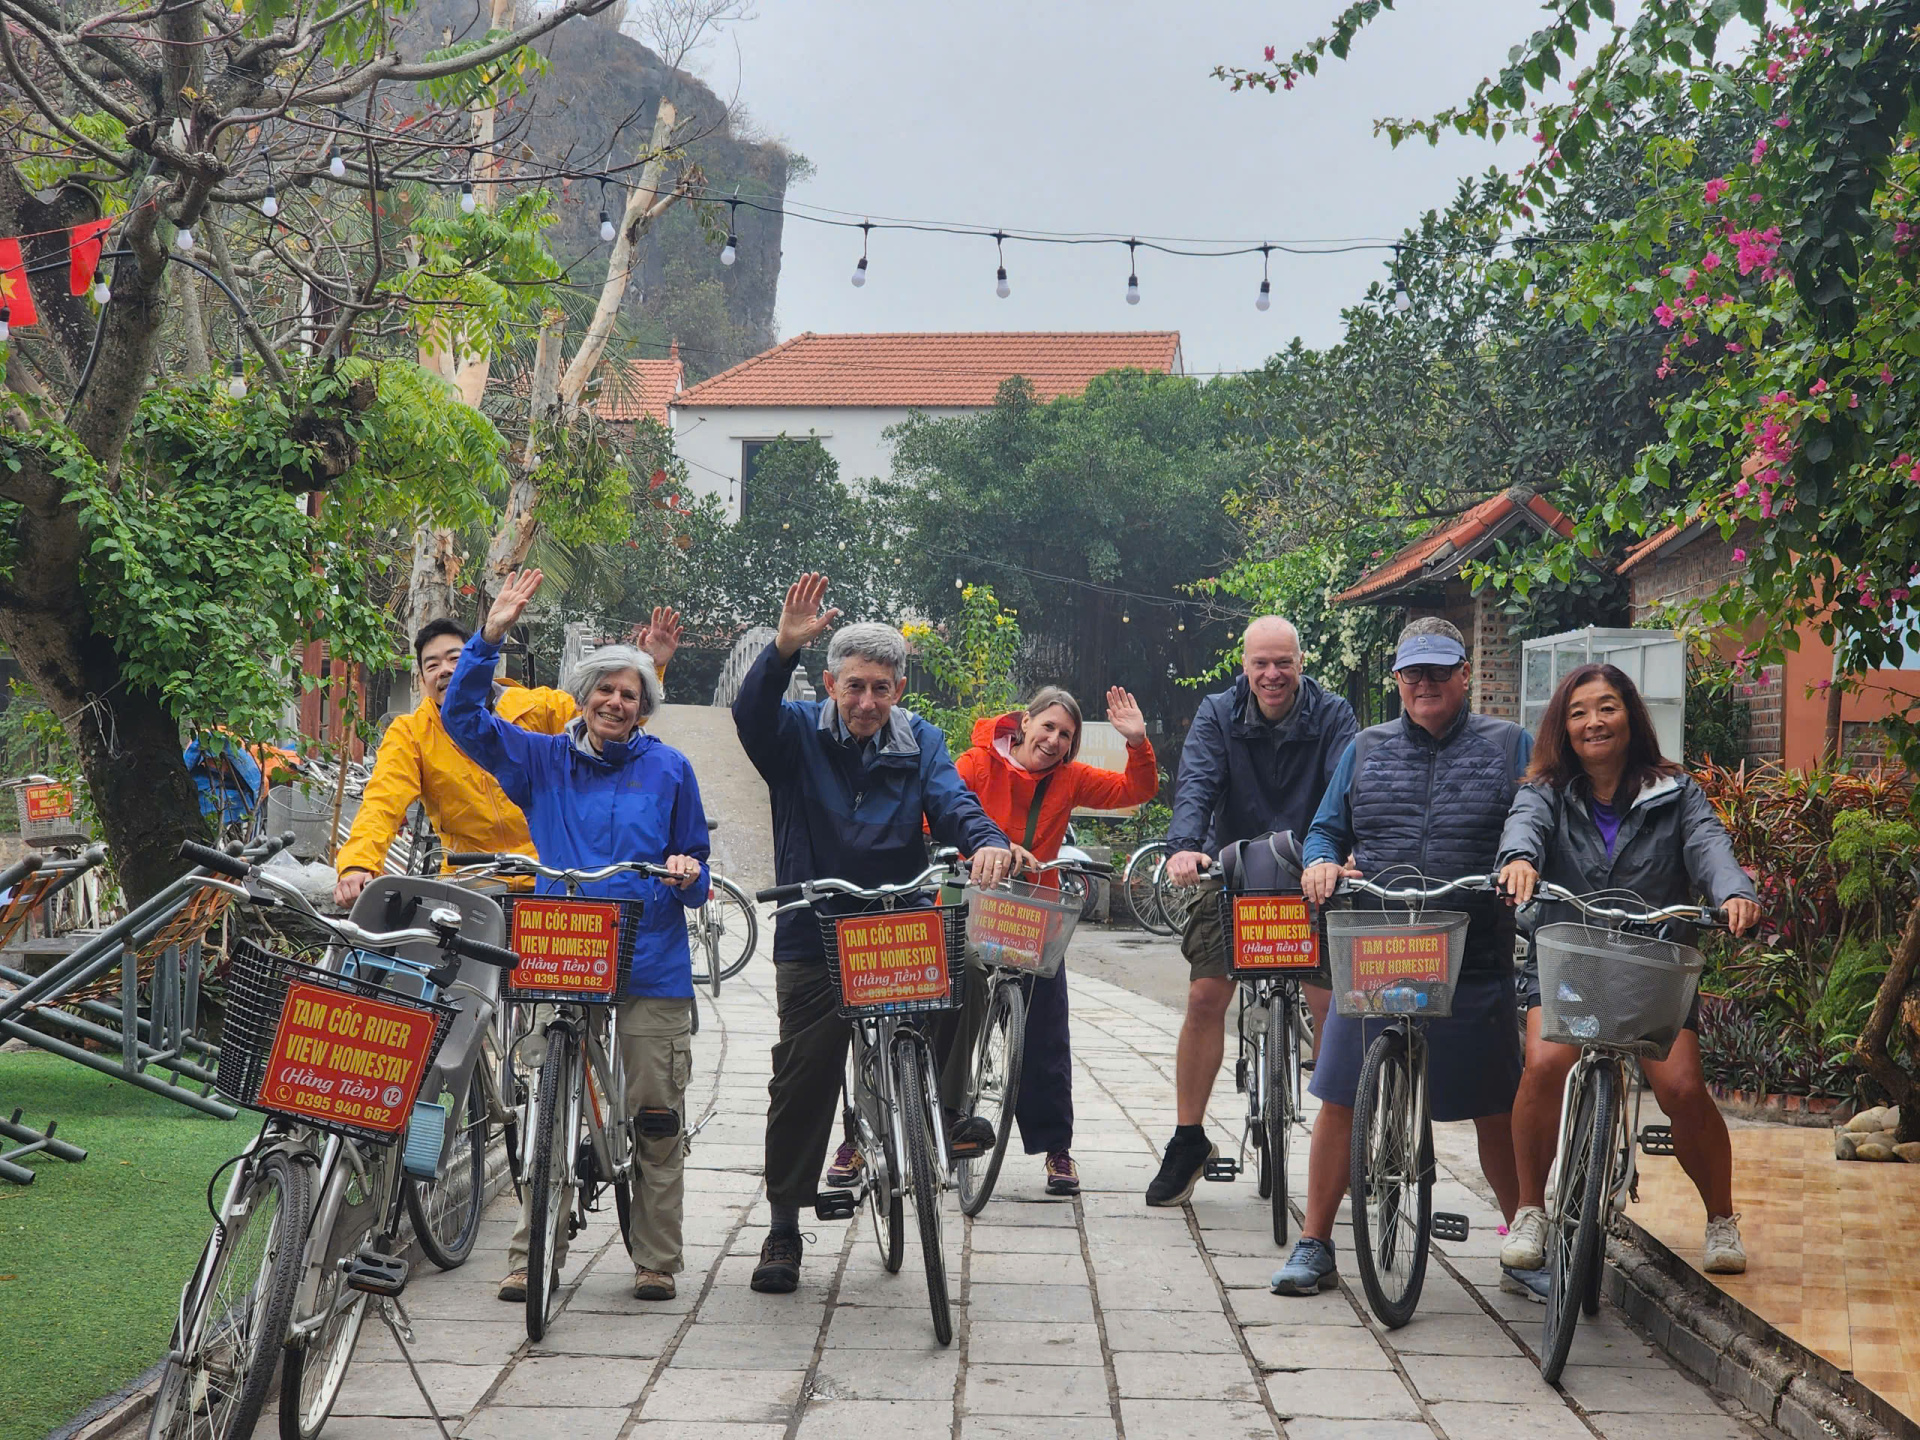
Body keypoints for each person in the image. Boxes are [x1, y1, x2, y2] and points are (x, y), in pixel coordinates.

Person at [732, 573, 1014, 1295]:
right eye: (854, 686)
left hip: (895, 923)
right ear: (829, 682)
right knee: (803, 1074)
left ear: (900, 688)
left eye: (881, 689)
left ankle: (947, 1113)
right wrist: (781, 649)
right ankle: (784, 1225)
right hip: (813, 923)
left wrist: (984, 841)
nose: (866, 702)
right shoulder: (795, 733)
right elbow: (752, 715)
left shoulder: (920, 738)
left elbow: (954, 801)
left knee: (974, 966)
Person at [441, 570, 710, 1305]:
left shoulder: (671, 769)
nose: (616, 703)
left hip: (650, 957)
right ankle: (535, 1250)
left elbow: (698, 871)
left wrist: (687, 872)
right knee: (548, 1104)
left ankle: (656, 1257)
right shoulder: (540, 759)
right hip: (564, 944)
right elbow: (463, 720)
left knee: (655, 1110)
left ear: (644, 706)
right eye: (606, 691)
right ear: (584, 696)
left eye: (631, 695)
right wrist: (488, 636)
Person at [1274, 616, 1531, 1297]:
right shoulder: (1365, 747)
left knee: (1496, 1108)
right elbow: (1327, 827)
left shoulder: (1509, 745)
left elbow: (1531, 820)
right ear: (1396, 681)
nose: (1427, 684)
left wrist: (1519, 863)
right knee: (1336, 1093)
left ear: (1466, 674)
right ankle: (1316, 1241)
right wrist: (1322, 863)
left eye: (1440, 671)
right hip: (1381, 943)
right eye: (1414, 674)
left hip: (1473, 948)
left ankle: (1523, 1247)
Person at [1496, 663, 1761, 1277]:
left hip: (1652, 962)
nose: (1594, 721)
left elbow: (1709, 846)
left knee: (1680, 1088)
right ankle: (1532, 1208)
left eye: (1607, 707)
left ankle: (1720, 1216)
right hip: (1569, 958)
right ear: (1563, 725)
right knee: (1543, 1064)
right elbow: (1523, 829)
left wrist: (1734, 891)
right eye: (1579, 711)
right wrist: (1519, 861)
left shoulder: (1676, 792)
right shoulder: (1545, 789)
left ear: (1630, 716)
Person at [1146, 616, 1358, 1207]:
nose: (1272, 674)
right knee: (1205, 996)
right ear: (1244, 664)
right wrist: (1186, 846)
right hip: (1233, 871)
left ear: (1300, 662)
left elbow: (1350, 789)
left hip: (1312, 872)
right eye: (1260, 663)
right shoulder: (1218, 713)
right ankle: (1188, 1138)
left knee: (1331, 1005)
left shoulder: (1334, 715)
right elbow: (1197, 784)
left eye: (1283, 663)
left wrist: (1347, 853)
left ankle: (1352, 1133)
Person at [934, 684, 1159, 1196]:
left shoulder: (1070, 778)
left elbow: (1134, 791)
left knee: (1048, 1033)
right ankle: (946, 1115)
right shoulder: (975, 764)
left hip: (1033, 915)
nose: (1055, 740)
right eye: (1049, 727)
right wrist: (986, 845)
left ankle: (1057, 1150)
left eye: (1067, 735)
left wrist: (1138, 743)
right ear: (1025, 722)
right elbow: (933, 813)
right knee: (957, 992)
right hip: (974, 904)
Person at [331, 608, 681, 908]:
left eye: (456, 658)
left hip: (548, 877)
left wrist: (651, 665)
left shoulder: (536, 706)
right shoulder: (411, 734)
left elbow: (610, 718)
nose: (445, 671)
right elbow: (382, 803)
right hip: (470, 882)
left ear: (477, 664)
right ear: (422, 679)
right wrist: (358, 866)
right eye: (431, 665)